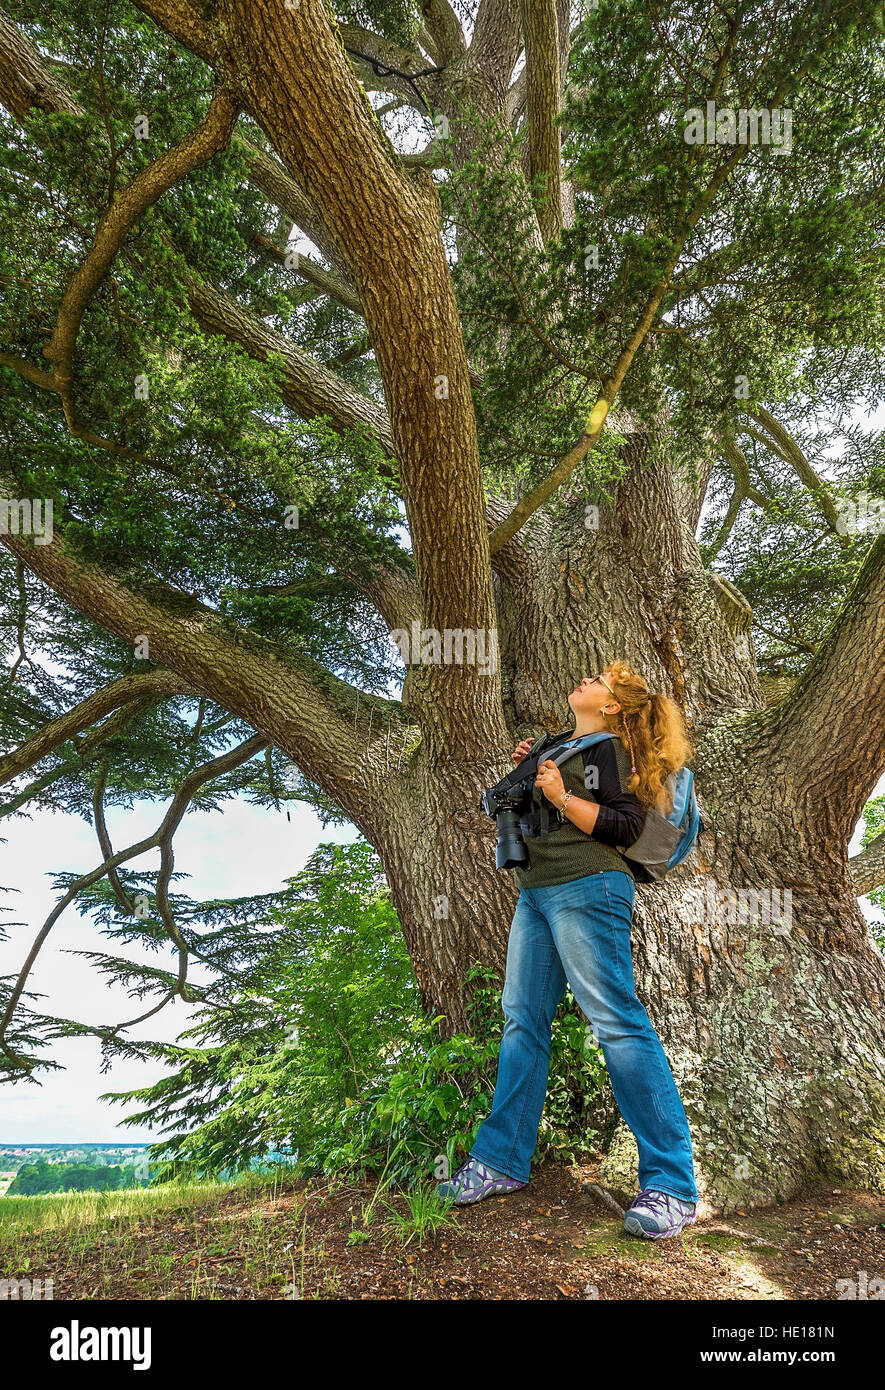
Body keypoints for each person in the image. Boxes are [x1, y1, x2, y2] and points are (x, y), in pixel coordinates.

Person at [436, 660, 700, 1239]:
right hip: (535, 895)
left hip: (588, 887)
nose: (584, 680)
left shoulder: (614, 749)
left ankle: (673, 1187)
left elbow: (626, 828)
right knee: (522, 1022)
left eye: (597, 681)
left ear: (611, 707)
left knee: (617, 1024)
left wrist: (558, 793)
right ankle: (502, 1162)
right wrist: (541, 771)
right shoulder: (572, 746)